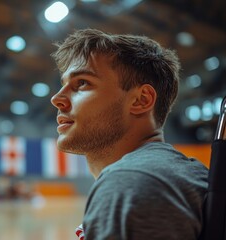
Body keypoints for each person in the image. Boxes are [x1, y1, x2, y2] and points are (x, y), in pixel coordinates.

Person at [50, 29, 208, 240]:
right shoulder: (170, 174)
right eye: (63, 85)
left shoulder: (132, 183)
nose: (57, 98)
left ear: (141, 100)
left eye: (82, 83)